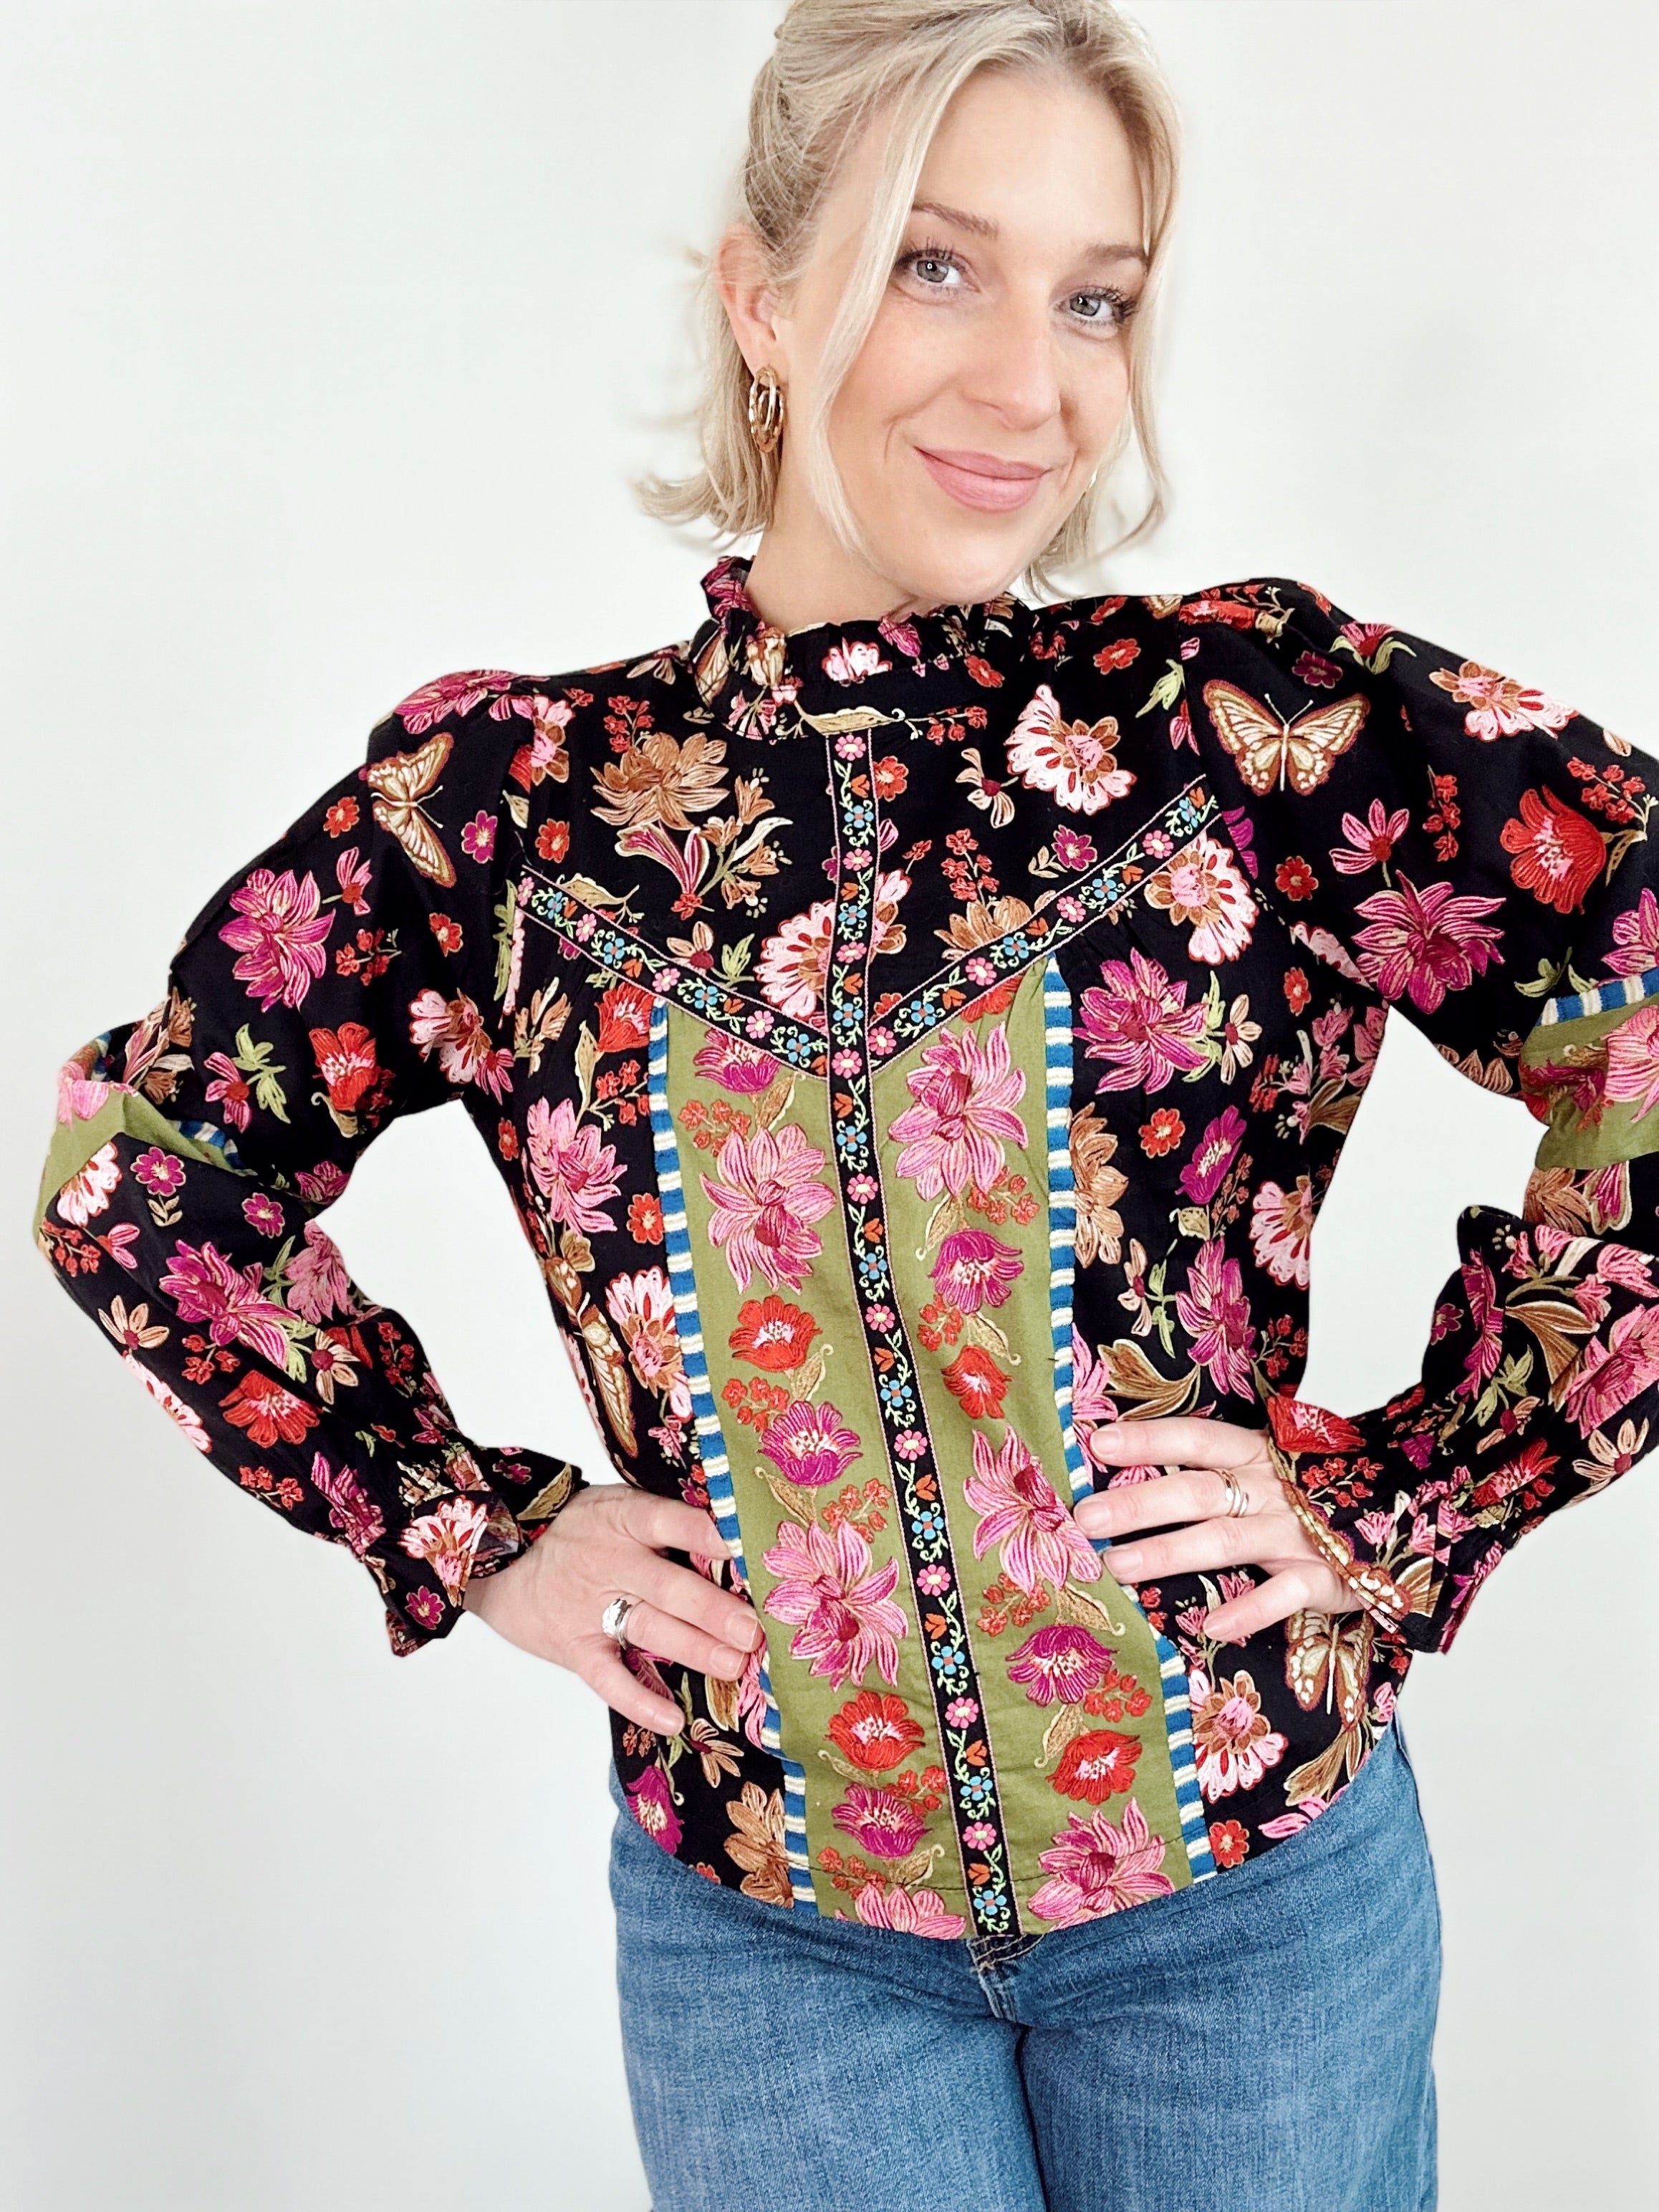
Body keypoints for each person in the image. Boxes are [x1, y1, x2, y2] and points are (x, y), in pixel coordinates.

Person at [34, 3, 1655, 2206]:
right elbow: (146, 1184)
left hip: (1247, 1909)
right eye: (934, 263)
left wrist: (1415, 1492)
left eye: (1094, 298)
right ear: (764, 298)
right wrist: (468, 1526)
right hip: (769, 1950)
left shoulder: (1242, 731)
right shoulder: (512, 811)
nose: (1030, 383)